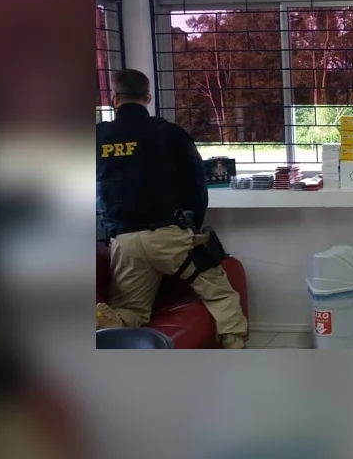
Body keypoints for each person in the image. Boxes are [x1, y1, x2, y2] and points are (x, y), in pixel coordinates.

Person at [95, 69, 248, 349]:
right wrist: (191, 229)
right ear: (148, 97)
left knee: (131, 309)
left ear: (114, 98)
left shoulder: (97, 137)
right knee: (220, 294)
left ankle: (111, 322)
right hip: (168, 237)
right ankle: (235, 346)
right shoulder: (169, 133)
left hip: (124, 243)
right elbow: (196, 187)